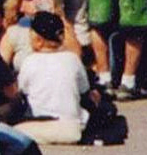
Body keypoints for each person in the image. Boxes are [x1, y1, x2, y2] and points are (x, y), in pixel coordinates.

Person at [15, 11, 92, 145]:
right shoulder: (73, 59)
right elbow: (84, 90)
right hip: (71, 129)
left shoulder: (29, 61)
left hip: (40, 125)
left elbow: (22, 91)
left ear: (38, 39)